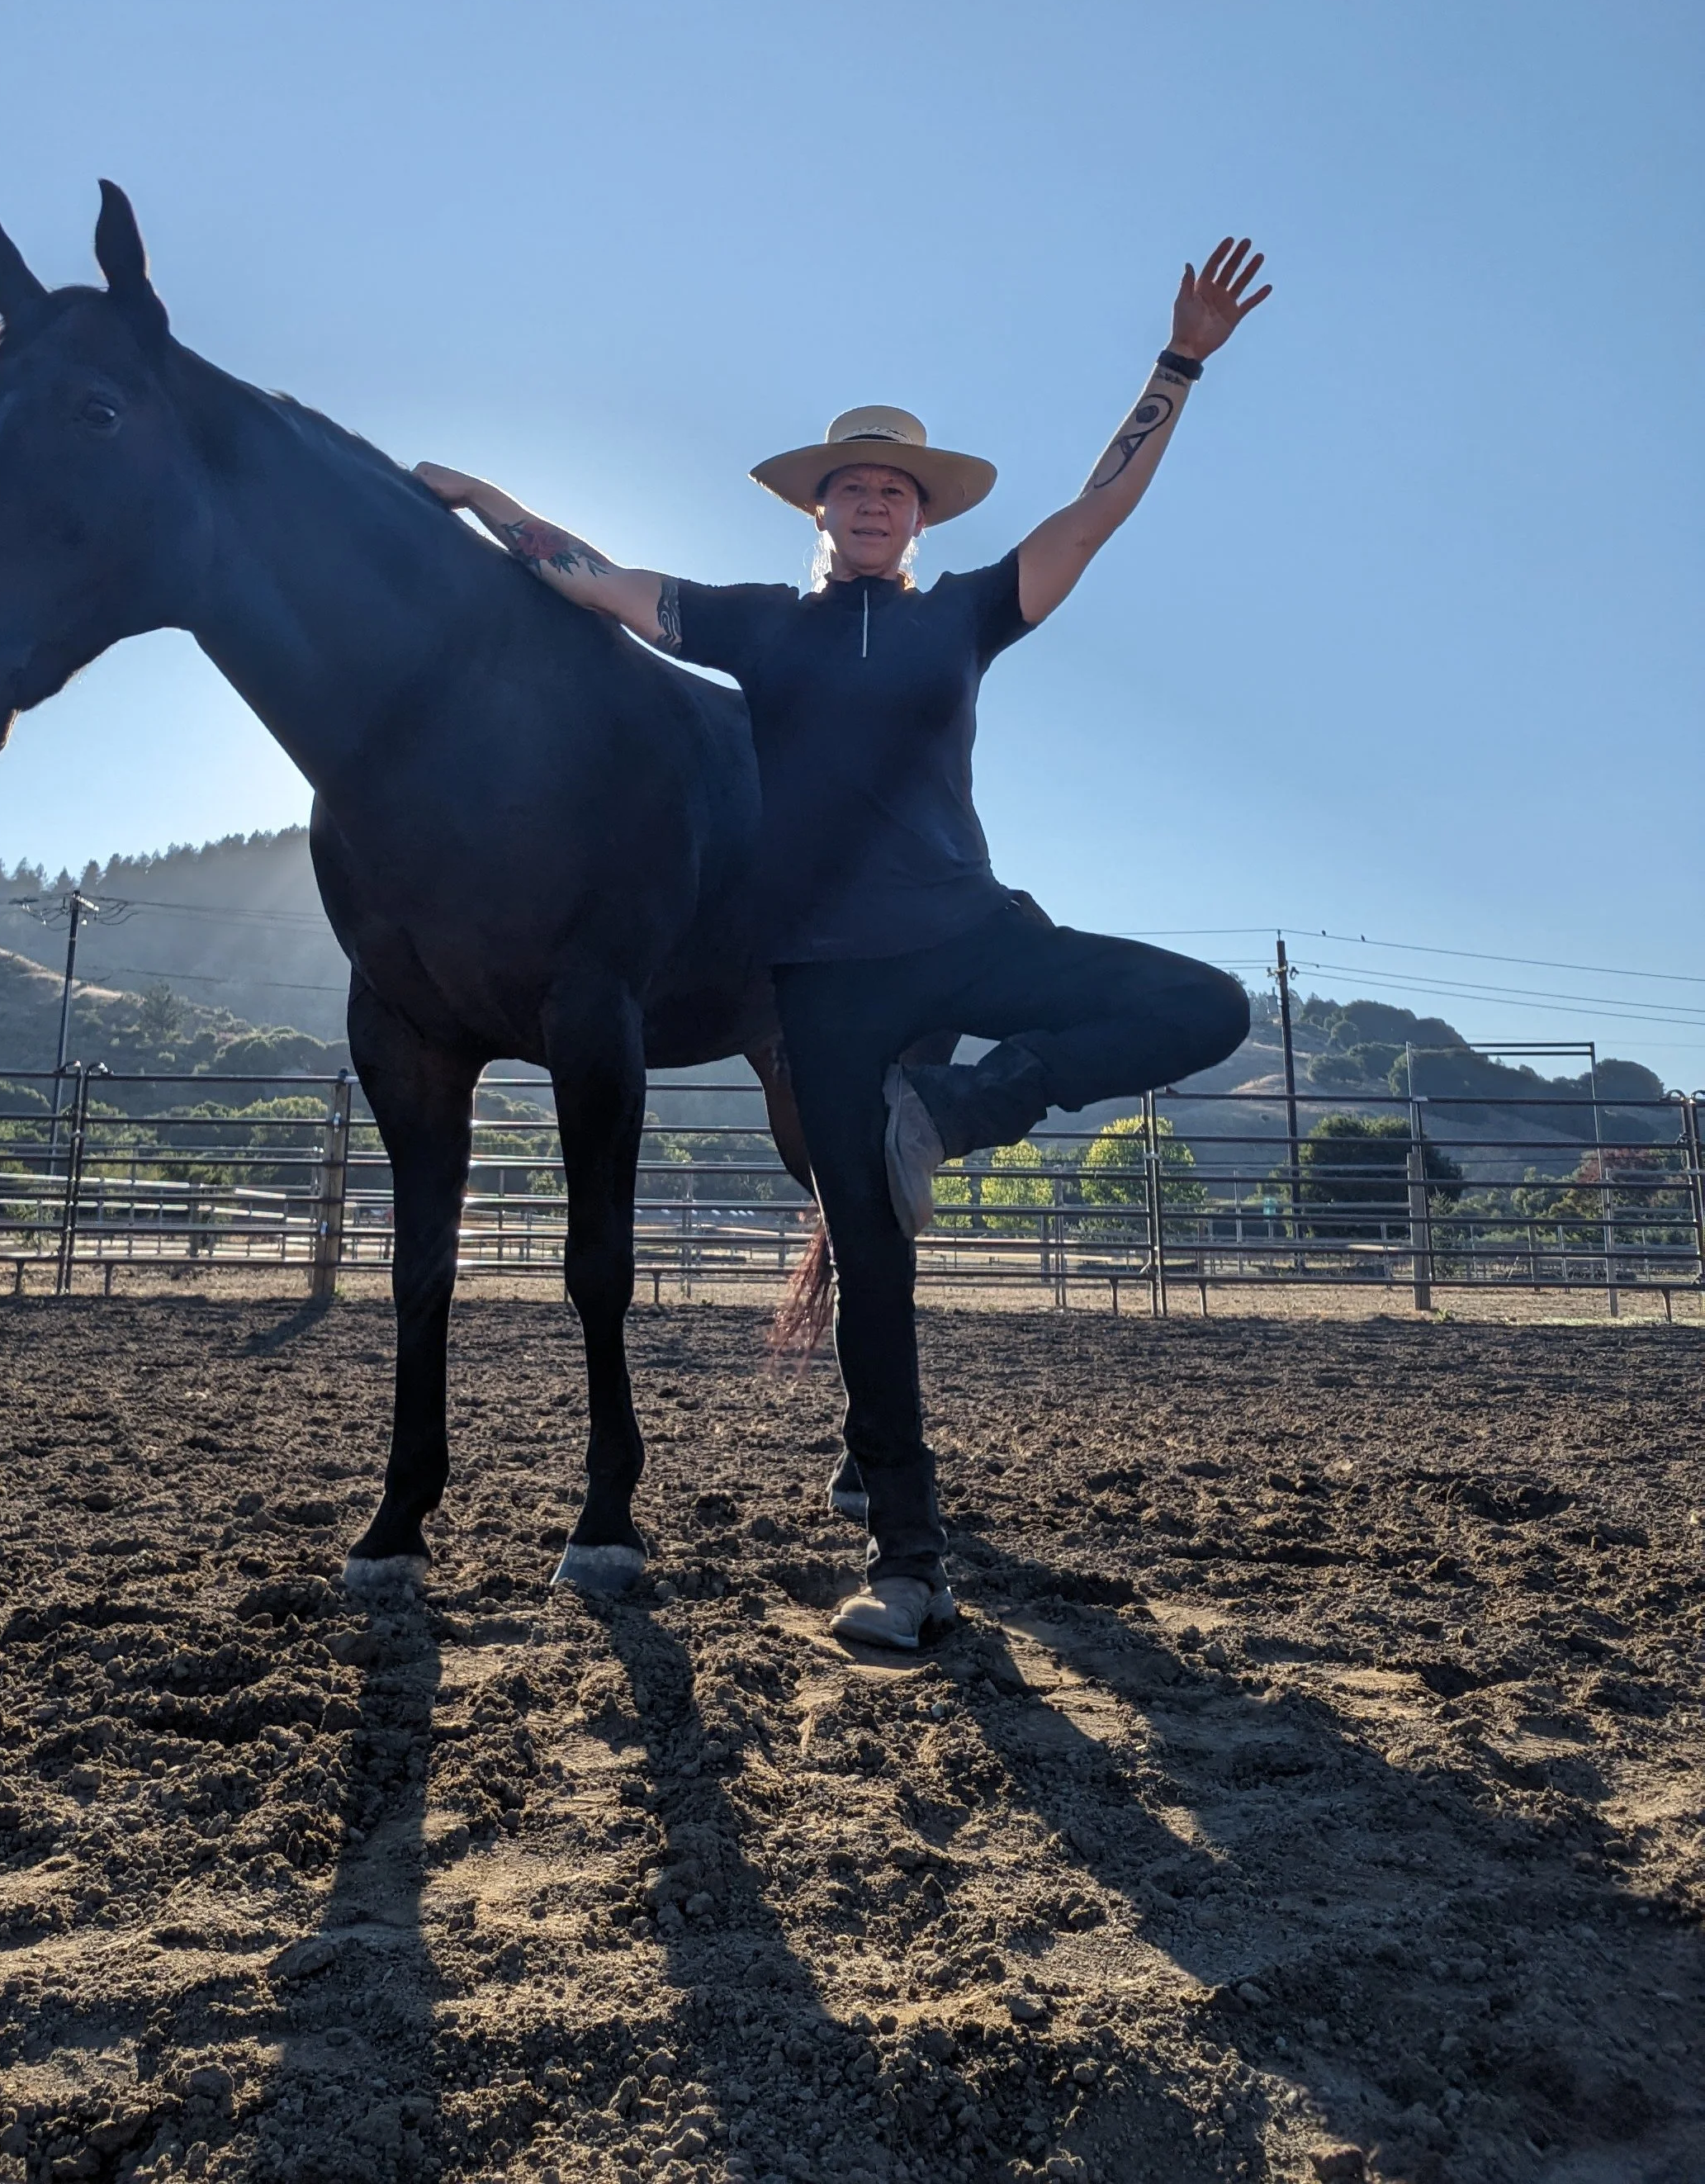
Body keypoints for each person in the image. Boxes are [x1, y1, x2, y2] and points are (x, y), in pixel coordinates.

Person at [414, 237, 1269, 1650]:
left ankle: (953, 1110)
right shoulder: (758, 627)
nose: (875, 502)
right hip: (827, 989)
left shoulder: (968, 621)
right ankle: (913, 1568)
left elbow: (1095, 512)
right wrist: (487, 499)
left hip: (976, 938)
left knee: (1208, 1006)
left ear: (918, 520)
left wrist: (1177, 365)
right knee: (873, 1278)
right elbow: (595, 579)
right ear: (820, 508)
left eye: (897, 491)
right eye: (854, 486)